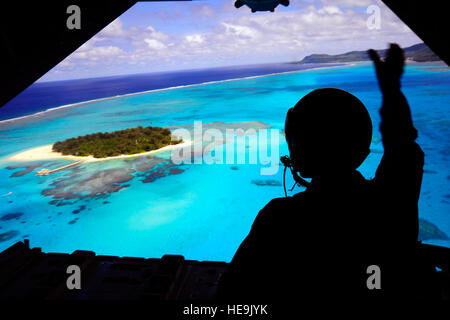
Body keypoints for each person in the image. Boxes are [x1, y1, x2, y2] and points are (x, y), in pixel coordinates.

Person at [217, 44, 434, 303]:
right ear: (363, 153)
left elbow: (230, 296)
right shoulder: (392, 199)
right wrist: (391, 91)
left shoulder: (278, 218)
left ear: (298, 152)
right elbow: (403, 148)